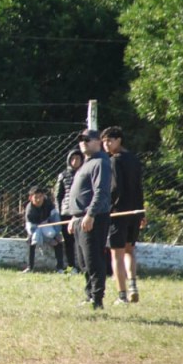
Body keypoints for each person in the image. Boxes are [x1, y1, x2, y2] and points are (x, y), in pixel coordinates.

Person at [67, 129, 113, 310]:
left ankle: (97, 299)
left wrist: (90, 214)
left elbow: (101, 191)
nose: (83, 142)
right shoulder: (87, 163)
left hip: (93, 218)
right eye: (81, 140)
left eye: (87, 139)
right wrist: (74, 217)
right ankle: (89, 295)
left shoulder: (101, 162)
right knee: (83, 261)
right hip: (80, 218)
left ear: (98, 142)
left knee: (93, 259)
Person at [101, 126, 146, 305]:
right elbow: (139, 187)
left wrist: (108, 208)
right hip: (134, 212)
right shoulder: (135, 160)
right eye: (104, 142)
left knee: (116, 255)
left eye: (109, 141)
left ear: (119, 140)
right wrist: (141, 211)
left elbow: (114, 188)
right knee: (129, 250)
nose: (106, 145)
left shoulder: (114, 161)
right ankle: (133, 284)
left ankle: (122, 296)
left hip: (119, 213)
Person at [53, 149, 84, 272]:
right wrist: (59, 212)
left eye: (78, 158)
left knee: (81, 240)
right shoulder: (63, 175)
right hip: (66, 212)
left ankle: (83, 266)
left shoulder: (85, 173)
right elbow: (58, 196)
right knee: (69, 241)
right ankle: (72, 266)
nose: (75, 161)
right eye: (73, 159)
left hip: (81, 212)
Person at [23, 185, 64, 273]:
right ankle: (30, 267)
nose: (38, 200)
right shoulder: (29, 211)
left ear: (44, 196)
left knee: (58, 240)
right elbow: (31, 229)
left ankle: (60, 268)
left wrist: (56, 234)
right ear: (30, 198)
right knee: (31, 240)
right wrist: (48, 239)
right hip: (35, 229)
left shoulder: (49, 204)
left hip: (48, 226)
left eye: (40, 196)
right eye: (36, 197)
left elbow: (55, 218)